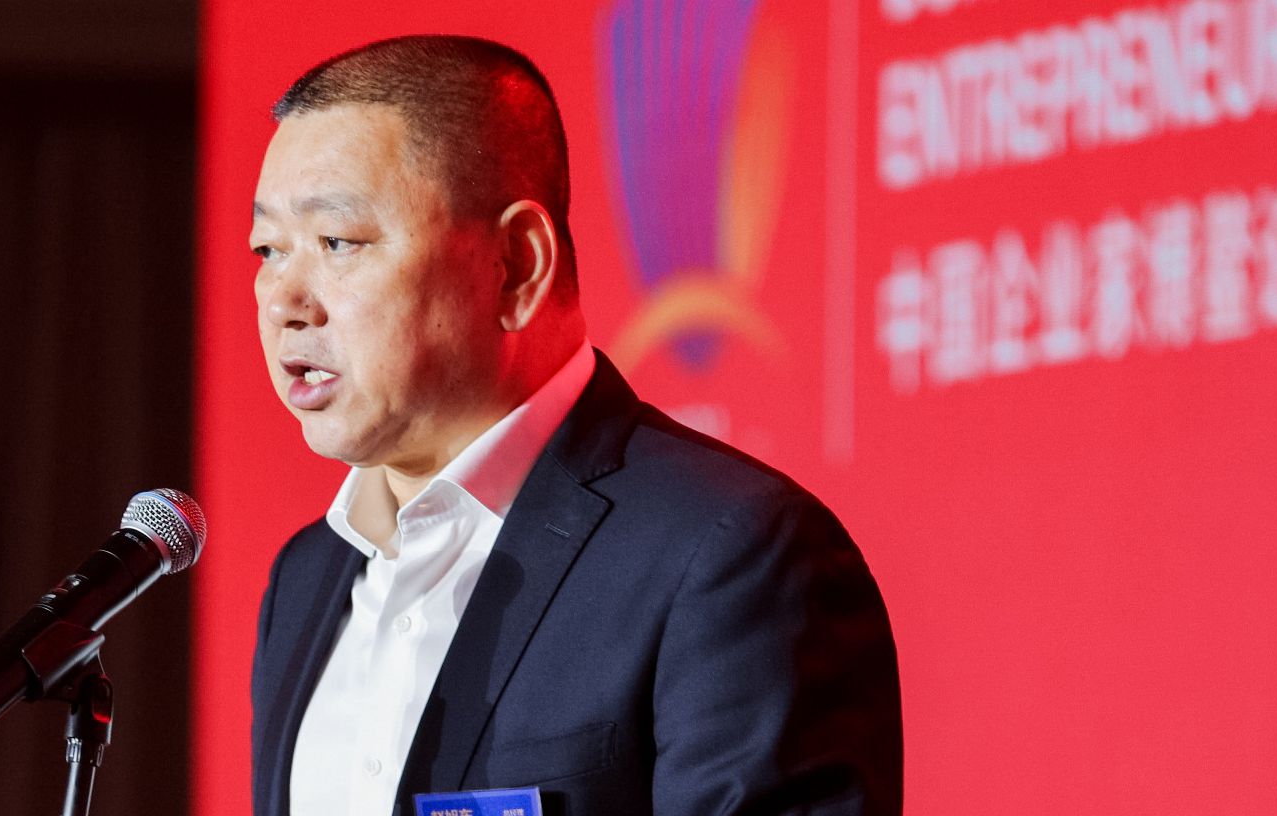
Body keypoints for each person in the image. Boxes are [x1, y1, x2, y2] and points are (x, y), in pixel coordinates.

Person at [245, 35, 901, 816]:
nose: (284, 300)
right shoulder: (307, 577)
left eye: (337, 243)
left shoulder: (730, 555)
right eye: (267, 249)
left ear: (517, 265)